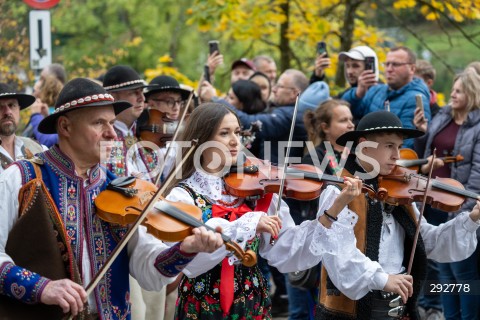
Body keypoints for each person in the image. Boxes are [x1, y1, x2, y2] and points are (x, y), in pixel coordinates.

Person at [0, 78, 225, 320]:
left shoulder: (119, 189)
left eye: (112, 123)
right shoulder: (22, 178)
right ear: (65, 127)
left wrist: (184, 250)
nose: (111, 133)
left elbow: (148, 269)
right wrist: (42, 287)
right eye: (99, 123)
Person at [161, 102, 363, 319]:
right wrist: (246, 224)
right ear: (201, 140)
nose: (234, 141)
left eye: (237, 132)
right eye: (224, 133)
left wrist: (333, 210)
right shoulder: (183, 196)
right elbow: (189, 262)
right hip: (201, 306)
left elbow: (287, 251)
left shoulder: (257, 191)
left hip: (252, 302)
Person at [315, 110, 480, 320]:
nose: (397, 156)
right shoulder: (338, 192)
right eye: (389, 146)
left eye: (399, 147)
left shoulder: (400, 193)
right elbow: (338, 254)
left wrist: (472, 219)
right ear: (364, 146)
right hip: (351, 313)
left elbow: (427, 241)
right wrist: (383, 279)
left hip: (397, 310)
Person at [414, 68, 480, 320]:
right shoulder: (442, 116)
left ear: (472, 94)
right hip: (434, 201)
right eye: (452, 89)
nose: (452, 94)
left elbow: (477, 172)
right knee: (443, 270)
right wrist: (420, 132)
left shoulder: (478, 125)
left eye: (459, 90)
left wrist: (465, 213)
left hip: (461, 206)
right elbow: (425, 155)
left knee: (463, 272)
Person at [284, 100, 355, 320]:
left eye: (351, 119)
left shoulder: (358, 156)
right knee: (305, 311)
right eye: (343, 120)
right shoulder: (312, 159)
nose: (351, 125)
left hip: (348, 239)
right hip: (320, 239)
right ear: (325, 127)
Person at [342, 46, 431, 149]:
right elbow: (348, 110)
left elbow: (407, 145)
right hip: (365, 155)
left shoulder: (415, 99)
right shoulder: (377, 90)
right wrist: (358, 94)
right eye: (387, 64)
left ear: (412, 69)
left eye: (395, 64)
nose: (389, 69)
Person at [103, 65, 154, 180]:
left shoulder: (141, 134)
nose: (142, 98)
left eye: (142, 92)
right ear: (113, 97)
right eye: (134, 93)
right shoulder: (104, 138)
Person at [0, 83, 44, 174]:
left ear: (19, 109)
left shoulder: (37, 148)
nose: (8, 112)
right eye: (0, 107)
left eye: (12, 105)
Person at [24, 74, 63, 147]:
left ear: (43, 93)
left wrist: (35, 115)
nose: (32, 94)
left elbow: (47, 141)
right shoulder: (53, 112)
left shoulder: (38, 115)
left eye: (34, 90)